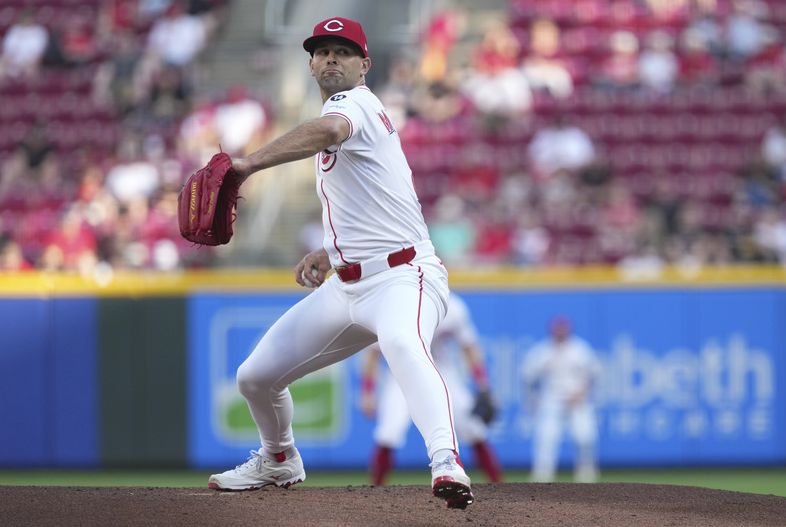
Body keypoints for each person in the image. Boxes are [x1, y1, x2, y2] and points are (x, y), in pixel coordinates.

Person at [206, 17, 474, 509]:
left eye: (344, 51)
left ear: (364, 65)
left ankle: (446, 462)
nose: (331, 58)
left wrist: (246, 165)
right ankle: (278, 457)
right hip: (348, 286)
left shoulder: (356, 104)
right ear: (309, 63)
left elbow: (329, 128)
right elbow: (370, 202)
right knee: (254, 377)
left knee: (400, 340)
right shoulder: (349, 113)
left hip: (403, 276)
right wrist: (330, 253)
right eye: (322, 51)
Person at [360, 292, 503, 486]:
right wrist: (367, 391)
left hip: (441, 369)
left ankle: (498, 484)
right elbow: (372, 354)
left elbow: (469, 347)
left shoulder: (452, 306)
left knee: (474, 428)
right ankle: (373, 489)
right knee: (389, 431)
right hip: (401, 373)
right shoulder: (397, 302)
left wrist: (483, 385)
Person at [521, 316, 602, 483]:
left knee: (584, 436)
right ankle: (542, 477)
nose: (560, 333)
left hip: (577, 399)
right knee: (546, 438)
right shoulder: (542, 351)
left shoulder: (580, 349)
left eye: (562, 329)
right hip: (552, 399)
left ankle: (587, 477)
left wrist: (582, 392)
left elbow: (594, 374)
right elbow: (528, 377)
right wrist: (533, 399)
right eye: (557, 329)